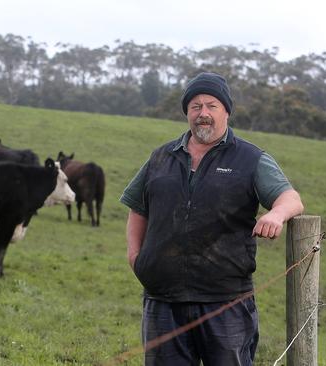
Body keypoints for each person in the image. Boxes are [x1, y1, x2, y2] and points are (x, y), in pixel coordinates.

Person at [120, 71, 304, 365]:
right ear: (187, 113)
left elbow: (291, 198)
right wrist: (135, 256)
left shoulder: (250, 158)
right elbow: (137, 207)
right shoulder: (160, 157)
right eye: (195, 106)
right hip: (163, 301)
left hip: (225, 303)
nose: (203, 114)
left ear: (226, 111)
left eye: (211, 106)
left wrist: (277, 215)